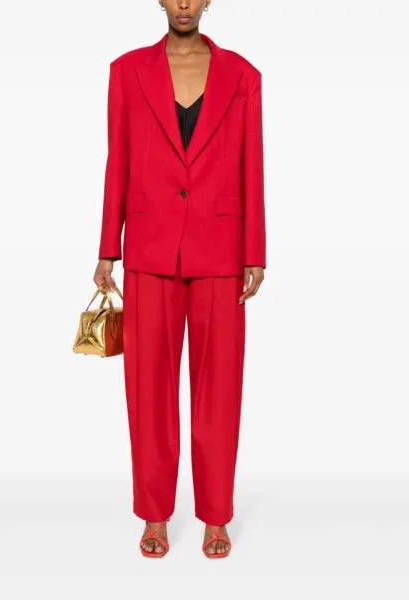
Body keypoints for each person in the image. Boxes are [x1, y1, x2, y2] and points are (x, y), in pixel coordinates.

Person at [93, 0, 266, 559]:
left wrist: (255, 251)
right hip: (148, 249)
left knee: (220, 395)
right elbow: (117, 160)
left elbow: (253, 164)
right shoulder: (126, 71)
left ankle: (216, 516)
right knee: (148, 394)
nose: (184, 3)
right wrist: (109, 248)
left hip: (222, 251)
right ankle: (154, 514)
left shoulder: (243, 75)